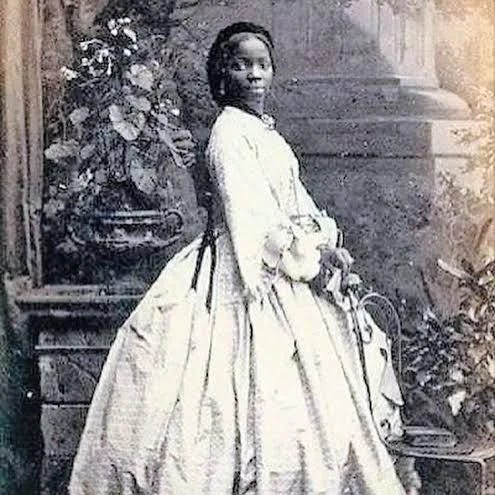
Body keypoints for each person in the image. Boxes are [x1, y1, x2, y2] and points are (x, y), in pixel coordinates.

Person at [69, 21, 410, 494]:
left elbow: (294, 201)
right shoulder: (228, 134)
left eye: (262, 65)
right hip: (245, 269)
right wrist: (309, 263)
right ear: (222, 75)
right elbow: (254, 220)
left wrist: (324, 244)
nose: (254, 74)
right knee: (224, 397)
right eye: (241, 65)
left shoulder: (264, 133)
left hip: (283, 263)